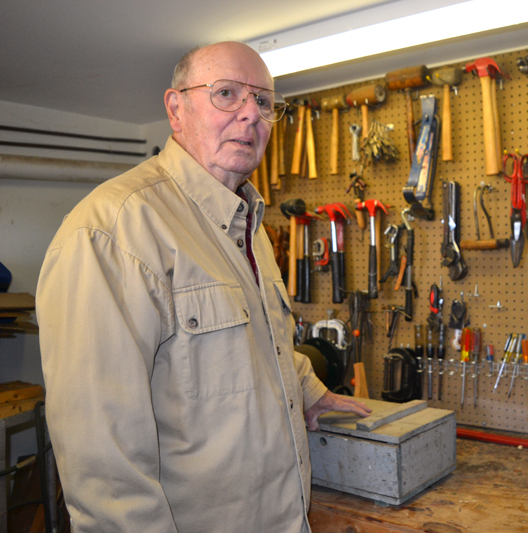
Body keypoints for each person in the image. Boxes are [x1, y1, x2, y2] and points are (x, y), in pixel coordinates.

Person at [36, 41, 371, 532]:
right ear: (176, 109)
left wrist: (306, 386)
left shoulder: (247, 223)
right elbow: (102, 464)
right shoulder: (114, 231)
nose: (250, 115)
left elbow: (238, 346)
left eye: (263, 102)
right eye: (227, 94)